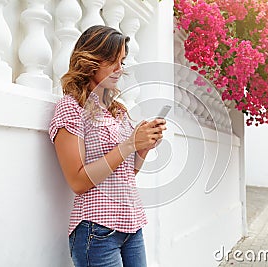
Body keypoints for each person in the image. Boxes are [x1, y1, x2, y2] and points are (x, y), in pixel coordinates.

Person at [48, 25, 166, 267]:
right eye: (114, 61)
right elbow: (78, 182)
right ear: (91, 61)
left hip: (132, 226)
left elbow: (125, 173)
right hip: (96, 231)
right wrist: (129, 144)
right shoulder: (71, 109)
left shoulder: (117, 110)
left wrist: (142, 148)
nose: (120, 70)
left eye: (122, 62)